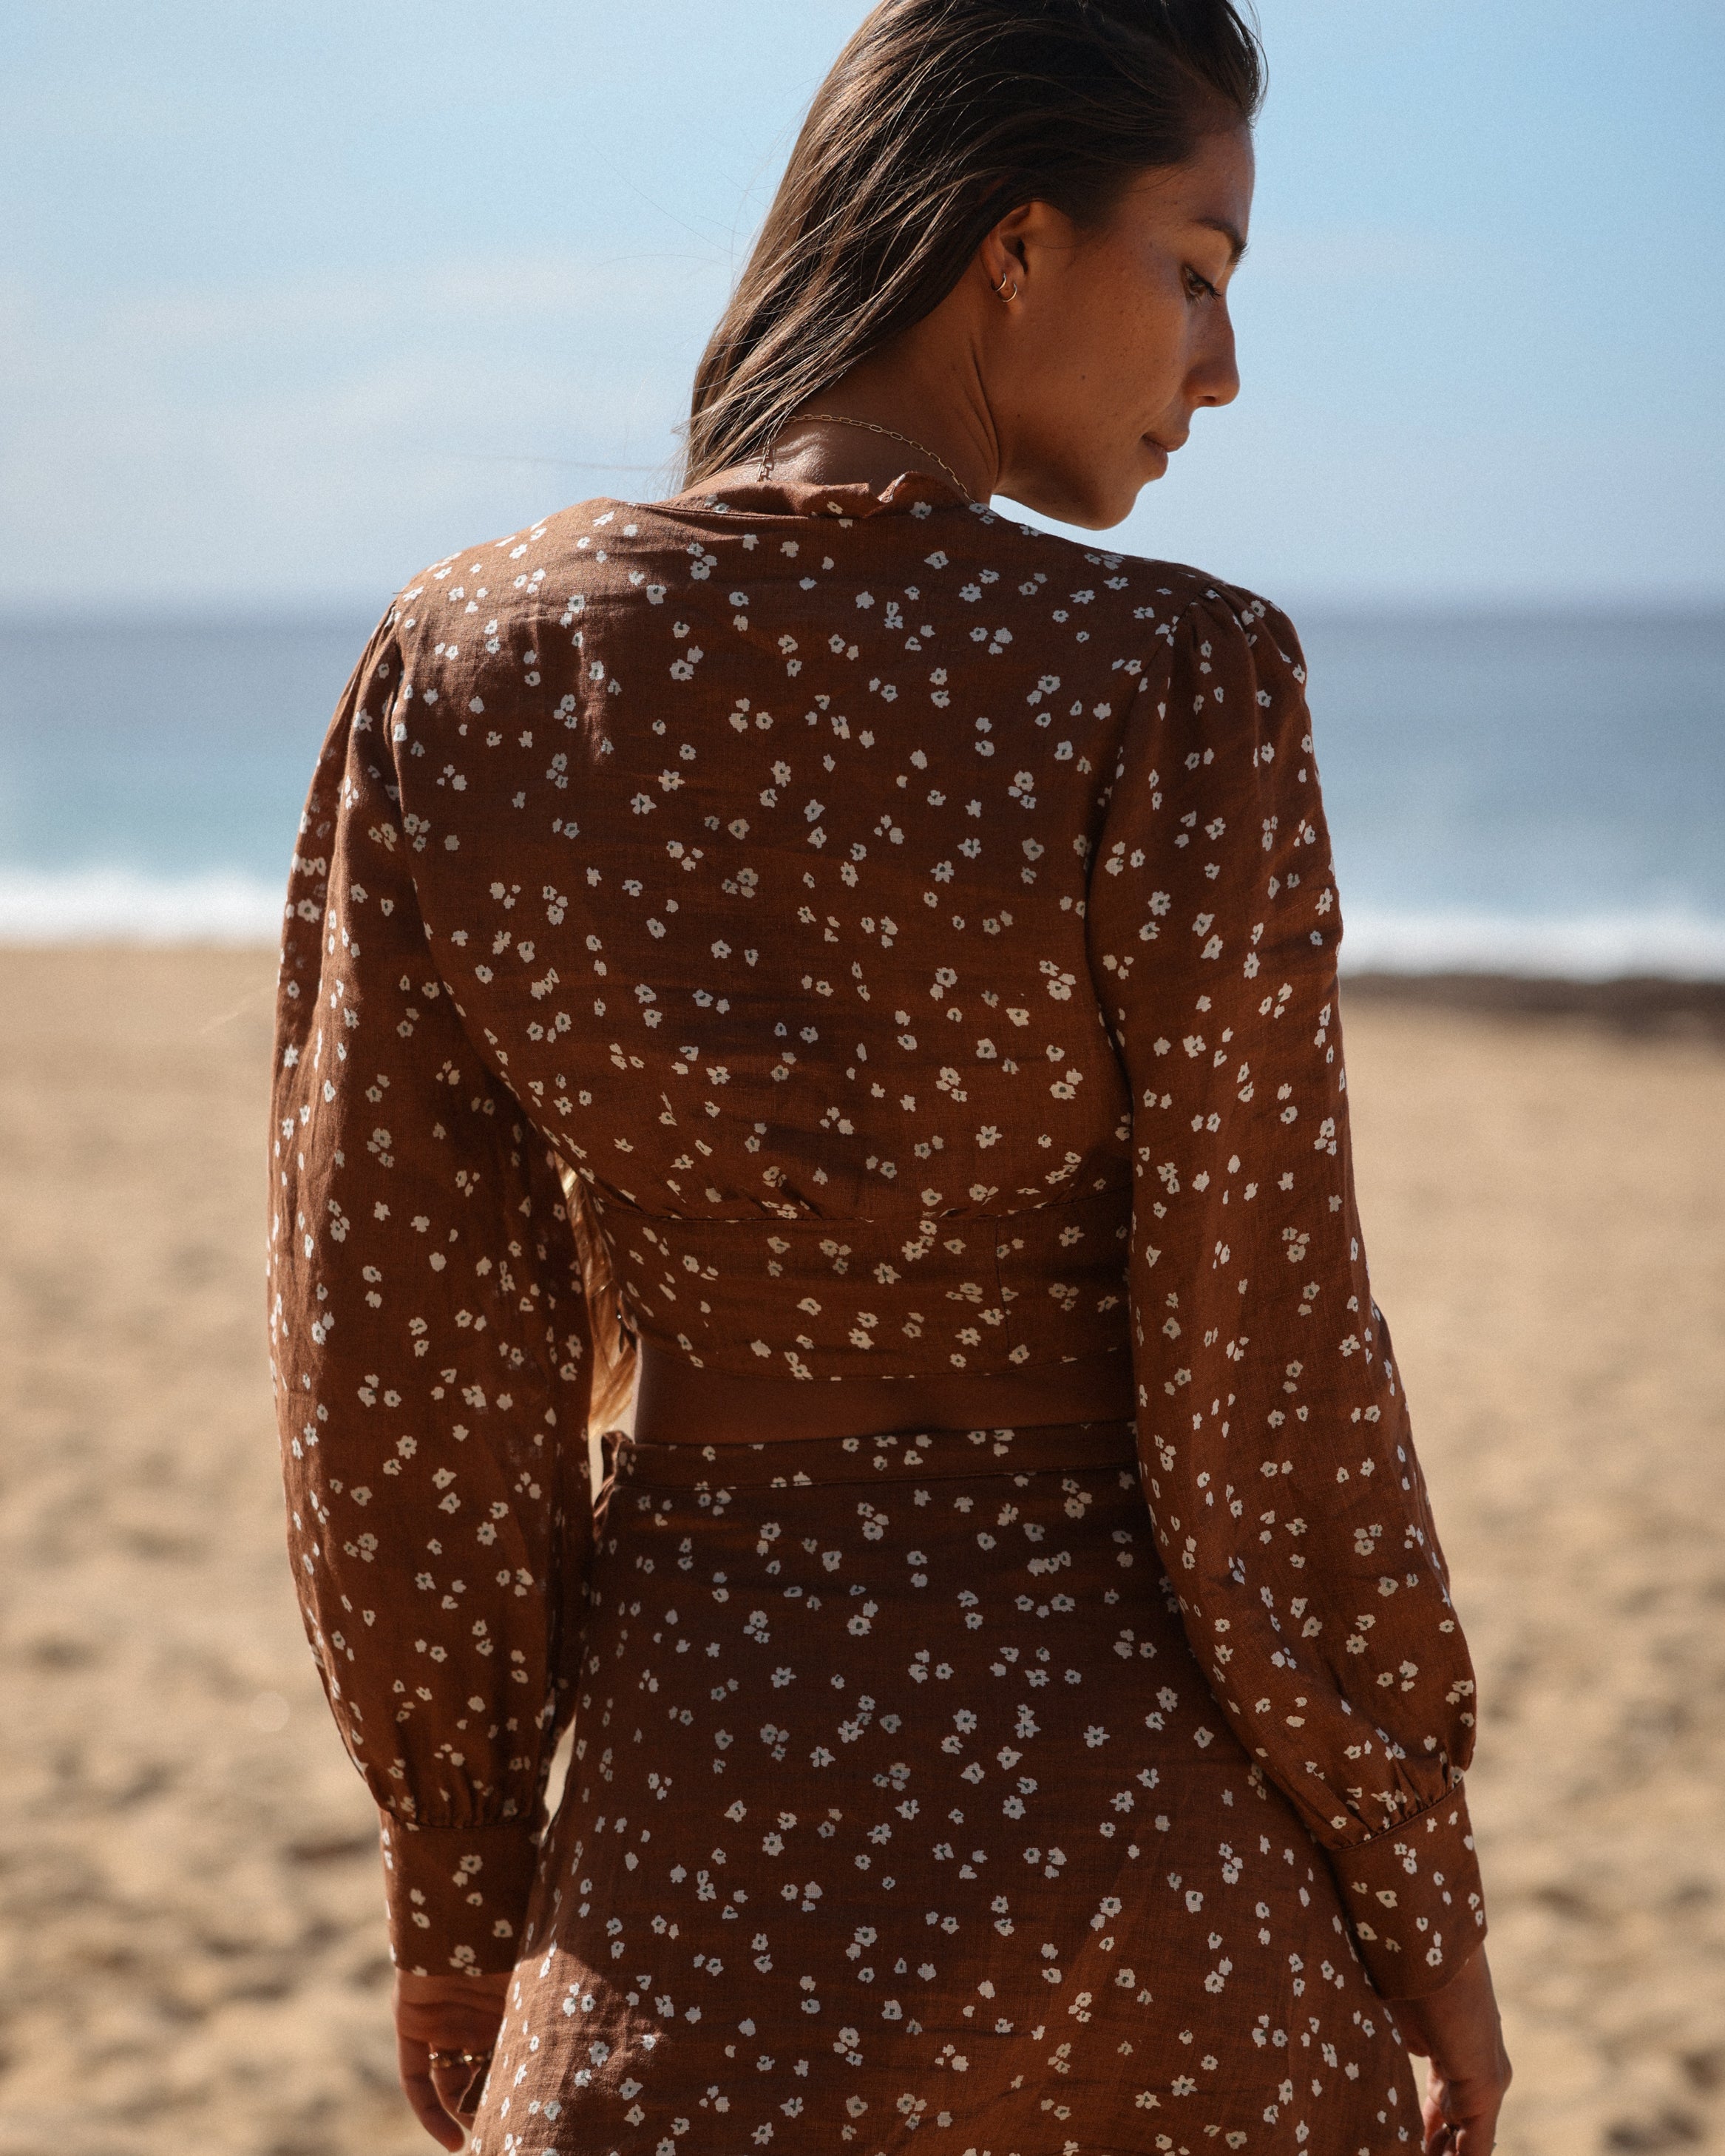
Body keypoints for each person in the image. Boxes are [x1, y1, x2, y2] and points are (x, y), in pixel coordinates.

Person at [267, 2, 1514, 2150]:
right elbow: (1275, 1361)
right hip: (1148, 1876)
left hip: (693, 1860)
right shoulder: (1176, 678)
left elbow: (402, 1362)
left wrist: (459, 1875)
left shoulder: (468, 667)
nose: (1221, 368)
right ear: (1010, 247)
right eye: (1197, 270)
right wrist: (1423, 1900)